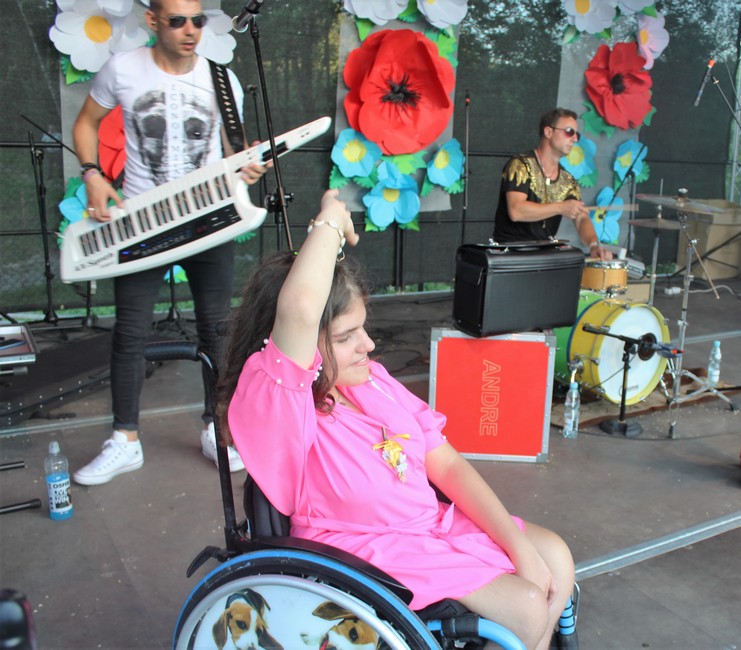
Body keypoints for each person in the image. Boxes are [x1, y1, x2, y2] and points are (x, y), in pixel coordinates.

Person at [219, 190, 576, 650]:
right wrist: (330, 221)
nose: (368, 345)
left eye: (363, 328)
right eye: (346, 337)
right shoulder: (281, 408)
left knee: (555, 558)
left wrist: (519, 546)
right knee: (527, 606)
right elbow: (302, 309)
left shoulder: (373, 381)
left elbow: (446, 464)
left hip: (429, 528)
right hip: (366, 555)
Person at [71, 0, 267, 486]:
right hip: (143, 224)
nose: (190, 30)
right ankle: (124, 440)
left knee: (217, 331)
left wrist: (246, 165)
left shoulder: (223, 80)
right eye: (177, 20)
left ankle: (216, 430)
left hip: (208, 221)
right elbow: (86, 122)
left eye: (198, 20)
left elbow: (234, 150)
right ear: (153, 21)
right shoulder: (123, 69)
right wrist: (92, 175)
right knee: (130, 332)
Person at [493, 107, 614, 261]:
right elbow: (516, 211)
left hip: (544, 254)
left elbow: (581, 217)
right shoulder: (521, 165)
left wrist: (593, 245)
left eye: (576, 134)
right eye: (569, 131)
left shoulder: (568, 180)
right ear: (548, 132)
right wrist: (561, 207)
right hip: (510, 254)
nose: (575, 139)